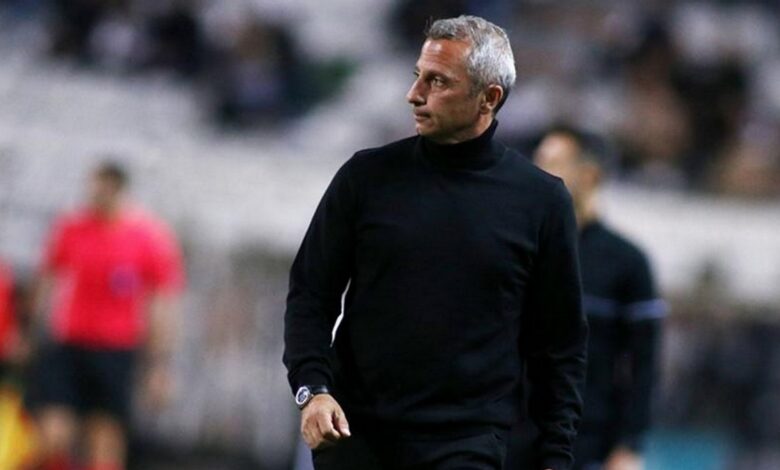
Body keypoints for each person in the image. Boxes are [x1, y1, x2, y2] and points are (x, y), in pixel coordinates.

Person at [283, 15, 588, 470]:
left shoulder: (541, 202)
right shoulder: (365, 178)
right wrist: (313, 390)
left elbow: (559, 347)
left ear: (489, 98)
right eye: (418, 75)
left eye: (438, 81)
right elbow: (310, 293)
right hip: (356, 437)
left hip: (467, 445)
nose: (414, 94)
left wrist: (556, 458)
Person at [514, 127, 666, 470]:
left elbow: (644, 364)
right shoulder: (516, 248)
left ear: (590, 174)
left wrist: (630, 444)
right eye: (538, 162)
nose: (538, 173)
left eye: (554, 163)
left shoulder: (626, 262)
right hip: (509, 437)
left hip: (586, 441)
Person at [28, 161, 184, 470]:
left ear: (118, 191)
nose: (93, 198)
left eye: (101, 192)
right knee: (53, 432)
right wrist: (30, 331)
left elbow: (162, 303)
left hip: (116, 349)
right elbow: (47, 280)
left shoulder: (147, 236)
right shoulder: (71, 228)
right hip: (70, 343)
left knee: (105, 438)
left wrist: (159, 364)